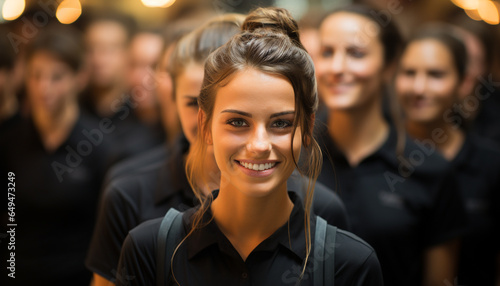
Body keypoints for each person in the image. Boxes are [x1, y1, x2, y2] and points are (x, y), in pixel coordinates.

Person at [116, 7, 382, 286]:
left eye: (281, 124)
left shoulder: (349, 263)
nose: (258, 145)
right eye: (238, 122)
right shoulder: (149, 250)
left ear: (307, 127)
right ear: (205, 125)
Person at [314, 4, 466, 286]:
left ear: (389, 66)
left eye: (356, 54)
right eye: (327, 53)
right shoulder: (291, 155)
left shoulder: (429, 169)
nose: (337, 67)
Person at [0, 24, 109, 286]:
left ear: (79, 78)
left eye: (56, 77)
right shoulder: (10, 142)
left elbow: (105, 233)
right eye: (36, 76)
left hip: (77, 279)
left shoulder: (99, 144)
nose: (43, 88)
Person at [395, 25, 500, 286]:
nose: (419, 87)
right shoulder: (382, 158)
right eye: (409, 73)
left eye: (435, 74)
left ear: (463, 82)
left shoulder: (490, 164)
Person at [83, 11, 162, 165]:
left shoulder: (144, 114)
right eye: (92, 48)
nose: (99, 58)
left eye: (110, 49)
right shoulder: (75, 111)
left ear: (127, 54)